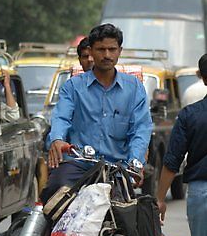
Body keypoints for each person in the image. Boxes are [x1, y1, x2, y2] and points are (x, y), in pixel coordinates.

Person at [42, 23, 152, 204]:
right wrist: (58, 139)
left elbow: (140, 129)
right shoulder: (73, 86)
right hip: (78, 165)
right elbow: (61, 117)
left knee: (135, 218)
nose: (107, 55)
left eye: (112, 49)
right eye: (101, 49)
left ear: (119, 51)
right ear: (91, 51)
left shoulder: (134, 88)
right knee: (54, 193)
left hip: (118, 167)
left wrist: (135, 161)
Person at [156, 54, 207, 236]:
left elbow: (172, 160)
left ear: (202, 77)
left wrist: (160, 198)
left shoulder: (189, 115)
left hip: (201, 194)